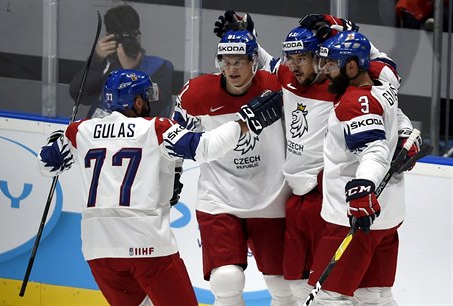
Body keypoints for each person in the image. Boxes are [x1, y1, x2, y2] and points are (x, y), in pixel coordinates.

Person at [213, 11, 420, 303]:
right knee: (352, 292)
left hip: (330, 199)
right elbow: (267, 62)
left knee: (331, 294)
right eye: (291, 57)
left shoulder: (340, 89)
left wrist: (342, 28)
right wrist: (247, 33)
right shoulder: (296, 76)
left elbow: (375, 139)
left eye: (303, 58)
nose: (294, 65)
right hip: (299, 196)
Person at [37, 69, 283, 306]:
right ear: (136, 102)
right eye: (145, 97)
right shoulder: (155, 128)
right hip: (147, 244)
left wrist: (54, 141)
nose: (147, 102)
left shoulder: (79, 130)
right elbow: (204, 148)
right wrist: (244, 123)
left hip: (98, 248)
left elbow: (46, 164)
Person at [174, 30, 297, 306]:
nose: (231, 69)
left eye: (239, 61)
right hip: (219, 197)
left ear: (254, 62)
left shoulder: (277, 85)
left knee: (284, 288)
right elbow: (175, 138)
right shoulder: (197, 93)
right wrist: (172, 175)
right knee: (226, 280)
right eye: (225, 61)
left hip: (272, 195)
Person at [307, 30, 407, 305]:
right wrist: (341, 29)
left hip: (352, 214)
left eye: (331, 65)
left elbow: (374, 150)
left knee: (328, 298)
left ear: (351, 66)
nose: (325, 71)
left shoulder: (354, 103)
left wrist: (363, 187)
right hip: (387, 214)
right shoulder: (385, 80)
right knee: (374, 296)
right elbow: (382, 58)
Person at [69, 4, 174, 119]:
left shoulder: (159, 67)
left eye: (128, 39)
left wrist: (132, 73)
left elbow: (154, 110)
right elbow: (79, 95)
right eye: (119, 39)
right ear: (108, 38)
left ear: (138, 37)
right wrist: (96, 60)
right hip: (99, 132)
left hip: (136, 134)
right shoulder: (105, 65)